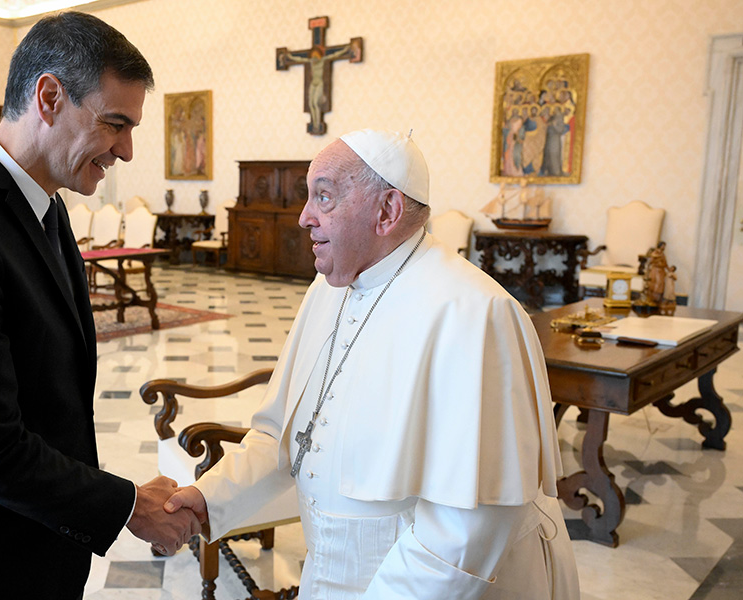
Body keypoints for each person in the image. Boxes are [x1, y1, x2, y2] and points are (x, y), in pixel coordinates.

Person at [166, 129, 580, 599]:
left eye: (324, 197)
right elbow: (282, 436)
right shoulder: (327, 291)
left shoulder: (474, 313)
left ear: (387, 211)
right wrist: (206, 499)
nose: (304, 217)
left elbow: (467, 527)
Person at [0, 12, 199, 600]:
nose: (126, 150)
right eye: (115, 124)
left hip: (41, 543)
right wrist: (128, 505)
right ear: (49, 96)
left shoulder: (44, 208)